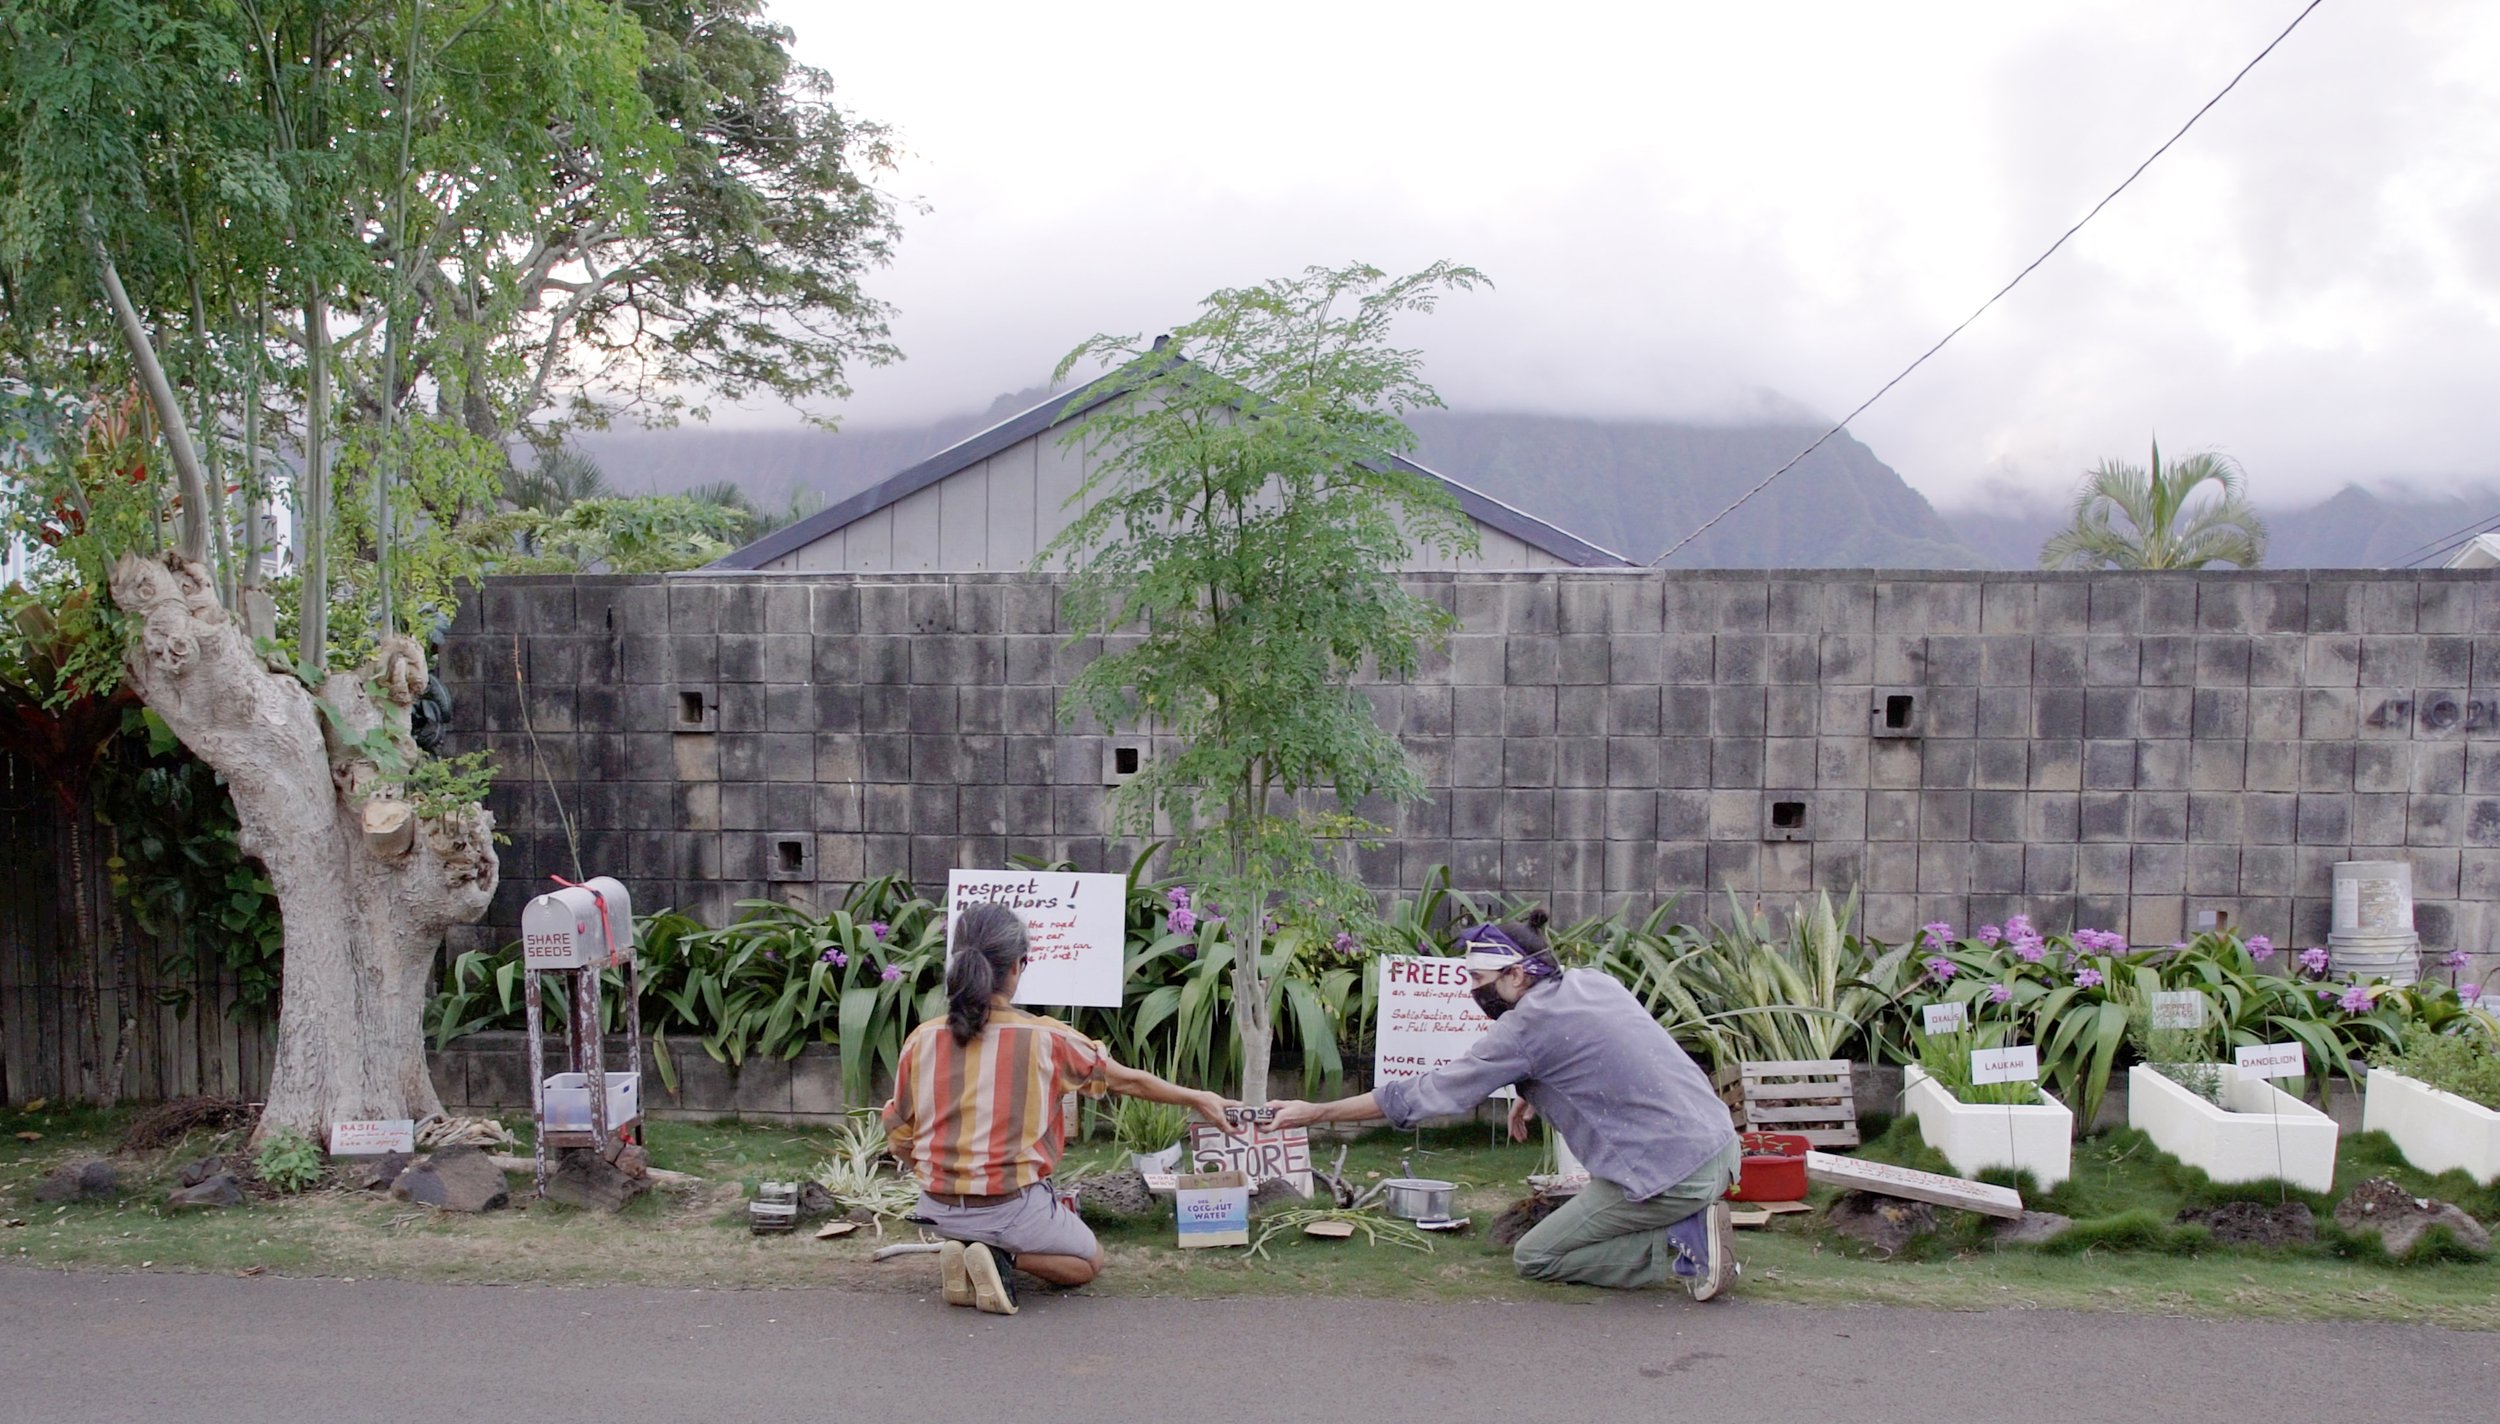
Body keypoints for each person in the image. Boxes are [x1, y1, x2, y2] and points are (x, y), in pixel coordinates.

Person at [1269, 908, 1741, 1299]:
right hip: (1721, 1148)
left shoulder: (1523, 1030)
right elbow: (1598, 1053)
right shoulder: (1592, 982)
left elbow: (1424, 1094)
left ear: (1517, 974)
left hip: (1673, 1175)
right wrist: (1528, 1092)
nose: (1471, 990)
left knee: (1536, 1256)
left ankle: (1682, 1241)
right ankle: (1688, 1223)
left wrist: (1317, 1112)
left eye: (1478, 978)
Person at [883, 901, 1232, 1316]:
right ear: (1017, 966)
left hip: (935, 1208)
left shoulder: (921, 1039)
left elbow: (898, 1133)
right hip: (1008, 1208)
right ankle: (997, 1257)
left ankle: (963, 1246)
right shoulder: (1048, 1041)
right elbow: (1130, 1081)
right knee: (1087, 1263)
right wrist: (1198, 1097)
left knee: (982, 1220)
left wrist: (938, 1176)